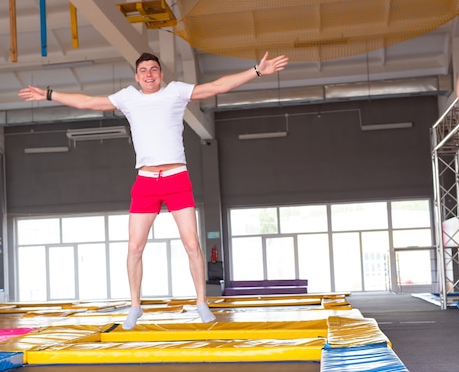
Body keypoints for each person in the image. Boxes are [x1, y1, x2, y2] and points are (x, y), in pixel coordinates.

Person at [19, 51, 289, 329]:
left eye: (154, 69)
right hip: (146, 182)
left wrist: (256, 70)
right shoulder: (128, 98)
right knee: (135, 247)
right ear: (136, 77)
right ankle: (135, 307)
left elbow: (215, 87)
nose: (149, 74)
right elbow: (89, 102)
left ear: (161, 74)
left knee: (193, 244)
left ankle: (200, 302)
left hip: (176, 178)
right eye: (144, 70)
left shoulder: (175, 92)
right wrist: (49, 94)